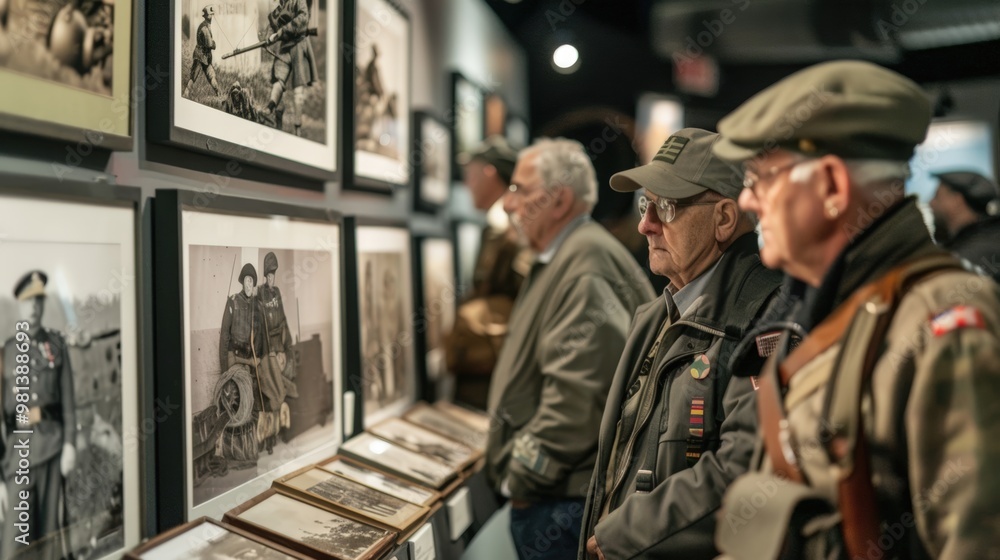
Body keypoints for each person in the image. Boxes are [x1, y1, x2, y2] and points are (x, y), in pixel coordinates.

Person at [709, 60, 1000, 559]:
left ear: (831, 187)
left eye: (761, 177)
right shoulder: (816, 304)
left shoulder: (943, 319)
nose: (748, 200)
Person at [579, 129, 782, 559]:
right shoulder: (655, 315)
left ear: (724, 219)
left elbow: (744, 471)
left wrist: (625, 534)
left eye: (666, 207)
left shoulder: (766, 320)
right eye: (645, 205)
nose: (645, 225)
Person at [485, 138, 655, 559]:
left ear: (558, 200)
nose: (508, 203)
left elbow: (578, 402)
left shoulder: (584, 266)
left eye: (519, 189)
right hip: (559, 495)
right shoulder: (571, 255)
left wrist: (520, 478)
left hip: (561, 502)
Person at [444, 136, 532, 409]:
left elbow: (527, 297)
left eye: (470, 174)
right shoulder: (506, 225)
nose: (467, 184)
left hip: (495, 366)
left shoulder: (506, 228)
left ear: (489, 172)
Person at [0, 271, 77, 559]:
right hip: (16, 458)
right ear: (19, 305)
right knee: (14, 546)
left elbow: (68, 401)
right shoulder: (6, 353)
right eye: (27, 301)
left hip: (52, 448)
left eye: (38, 300)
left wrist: (69, 444)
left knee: (49, 540)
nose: (33, 307)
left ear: (43, 304)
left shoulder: (56, 345)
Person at [928, 170, 1000, 281]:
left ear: (957, 200)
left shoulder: (970, 256)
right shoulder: (988, 239)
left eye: (937, 196)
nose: (931, 203)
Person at [265, 0, 317, 136]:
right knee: (278, 78)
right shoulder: (279, 7)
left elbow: (303, 18)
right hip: (285, 47)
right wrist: (267, 38)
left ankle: (297, 128)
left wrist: (281, 32)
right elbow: (273, 25)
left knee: (298, 88)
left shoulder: (299, 1)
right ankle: (271, 108)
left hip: (299, 45)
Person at [220, 264, 267, 407]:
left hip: (251, 361)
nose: (249, 284)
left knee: (262, 392)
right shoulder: (233, 301)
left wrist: (258, 358)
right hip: (235, 360)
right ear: (242, 282)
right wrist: (224, 371)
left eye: (251, 281)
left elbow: (260, 335)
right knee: (238, 398)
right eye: (247, 280)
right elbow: (224, 336)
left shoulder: (257, 306)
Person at [258, 252, 297, 401]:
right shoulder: (261, 292)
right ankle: (278, 399)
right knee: (272, 375)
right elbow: (261, 324)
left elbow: (282, 318)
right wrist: (270, 350)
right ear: (265, 276)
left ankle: (286, 398)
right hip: (268, 343)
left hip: (279, 342)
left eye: (272, 275)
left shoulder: (277, 292)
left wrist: (286, 345)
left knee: (288, 365)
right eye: (268, 275)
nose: (270, 278)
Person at [184, 5, 221, 98]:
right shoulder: (204, 28)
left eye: (212, 15)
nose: (211, 16)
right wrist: (214, 44)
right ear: (206, 16)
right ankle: (186, 93)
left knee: (211, 75)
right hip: (200, 56)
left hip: (205, 56)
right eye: (210, 15)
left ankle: (218, 93)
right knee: (194, 76)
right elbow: (209, 44)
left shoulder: (206, 26)